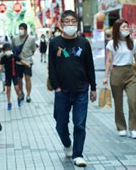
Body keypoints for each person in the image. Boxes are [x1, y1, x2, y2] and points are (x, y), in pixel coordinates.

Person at [48, 10, 97, 167]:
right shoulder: (55, 43)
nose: (70, 24)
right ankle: (67, 144)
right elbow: (52, 67)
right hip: (61, 91)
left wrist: (93, 88)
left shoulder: (84, 43)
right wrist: (56, 87)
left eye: (73, 21)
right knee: (60, 123)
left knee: (79, 124)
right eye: (67, 21)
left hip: (81, 90)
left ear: (77, 23)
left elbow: (90, 66)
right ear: (61, 24)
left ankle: (78, 154)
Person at [103, 19, 136, 139]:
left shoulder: (133, 42)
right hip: (116, 73)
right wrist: (105, 76)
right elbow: (109, 60)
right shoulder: (111, 44)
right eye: (123, 27)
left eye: (127, 27)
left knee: (133, 101)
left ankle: (134, 128)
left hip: (130, 73)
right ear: (117, 30)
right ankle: (121, 127)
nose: (126, 29)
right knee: (118, 103)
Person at [0, 43, 30, 110]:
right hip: (7, 75)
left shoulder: (14, 56)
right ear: (4, 51)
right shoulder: (3, 58)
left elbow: (21, 61)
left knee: (17, 88)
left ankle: (19, 98)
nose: (8, 51)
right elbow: (1, 67)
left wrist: (27, 64)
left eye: (9, 49)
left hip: (14, 75)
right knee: (8, 90)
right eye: (6, 50)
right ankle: (9, 103)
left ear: (11, 50)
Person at [12, 23, 36, 103]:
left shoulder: (31, 39)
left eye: (22, 29)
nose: (21, 30)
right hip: (18, 62)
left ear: (26, 30)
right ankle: (21, 93)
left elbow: (33, 50)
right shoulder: (15, 39)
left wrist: (27, 56)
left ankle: (28, 95)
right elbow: (13, 50)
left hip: (28, 62)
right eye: (20, 28)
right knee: (19, 79)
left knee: (27, 78)